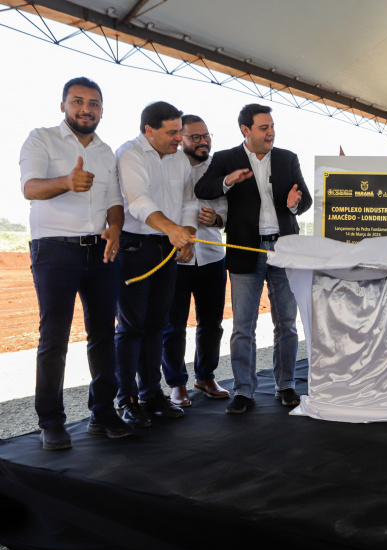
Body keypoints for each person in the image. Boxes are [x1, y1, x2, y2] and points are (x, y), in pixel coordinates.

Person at [19, 77, 134, 449]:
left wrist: (115, 228)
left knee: (104, 335)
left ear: (102, 110)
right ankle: (51, 421)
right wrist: (67, 181)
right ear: (63, 105)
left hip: (101, 251)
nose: (86, 109)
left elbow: (115, 201)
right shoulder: (41, 138)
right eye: (78, 101)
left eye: (94, 103)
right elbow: (30, 188)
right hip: (54, 250)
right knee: (54, 337)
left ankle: (103, 413)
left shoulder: (106, 151)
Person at [196, 104, 312, 414]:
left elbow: (305, 202)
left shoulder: (287, 158)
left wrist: (294, 204)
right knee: (243, 326)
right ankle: (244, 390)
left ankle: (286, 385)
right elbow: (202, 187)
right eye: (264, 127)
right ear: (245, 130)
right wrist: (227, 180)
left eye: (272, 126)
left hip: (283, 250)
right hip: (245, 250)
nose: (271, 132)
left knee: (286, 323)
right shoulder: (226, 159)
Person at [115, 101, 197, 426]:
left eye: (180, 131)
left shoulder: (180, 159)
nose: (179, 138)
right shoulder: (130, 154)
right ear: (149, 130)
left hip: (167, 248)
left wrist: (187, 233)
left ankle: (151, 395)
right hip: (134, 248)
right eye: (172, 132)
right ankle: (127, 399)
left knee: (156, 325)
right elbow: (138, 201)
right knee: (131, 327)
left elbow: (190, 201)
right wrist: (174, 230)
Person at [161, 115, 230, 406]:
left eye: (207, 136)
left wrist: (217, 218)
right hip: (175, 257)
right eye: (196, 137)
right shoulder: (168, 166)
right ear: (181, 139)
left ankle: (205, 376)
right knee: (173, 325)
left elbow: (229, 209)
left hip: (212, 256)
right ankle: (177, 383)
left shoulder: (220, 169)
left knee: (212, 323)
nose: (204, 142)